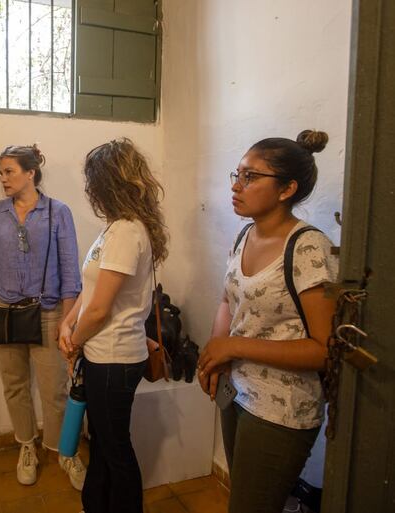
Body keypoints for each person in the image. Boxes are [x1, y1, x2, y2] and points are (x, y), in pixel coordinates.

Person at [196, 130, 338, 513]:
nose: (237, 186)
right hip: (236, 389)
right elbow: (228, 300)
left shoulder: (308, 247)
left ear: (286, 189)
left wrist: (234, 346)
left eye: (251, 177)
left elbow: (325, 350)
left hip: (281, 409)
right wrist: (215, 353)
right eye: (237, 174)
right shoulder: (245, 235)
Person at [0, 144, 86, 489]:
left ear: (30, 173)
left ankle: (66, 452)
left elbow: (69, 271)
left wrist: (68, 323)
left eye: (9, 172)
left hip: (47, 313)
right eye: (0, 173)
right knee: (14, 387)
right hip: (2, 312)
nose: (3, 179)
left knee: (55, 390)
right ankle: (27, 446)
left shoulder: (58, 212)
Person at [59, 138, 169, 513]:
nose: (90, 190)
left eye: (93, 181)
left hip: (114, 358)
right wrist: (68, 321)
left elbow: (100, 309)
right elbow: (90, 294)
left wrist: (73, 341)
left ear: (108, 183)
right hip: (102, 354)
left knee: (115, 449)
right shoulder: (115, 228)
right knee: (104, 446)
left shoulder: (126, 231)